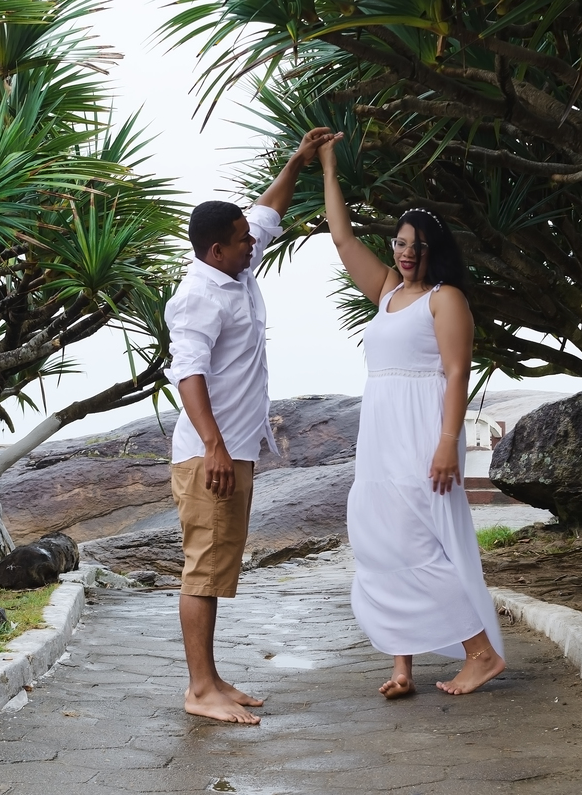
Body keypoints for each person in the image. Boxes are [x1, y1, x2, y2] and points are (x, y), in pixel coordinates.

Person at [317, 135, 506, 698]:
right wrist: (328, 167)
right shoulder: (386, 292)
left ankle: (481, 652)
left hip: (423, 430)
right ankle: (402, 666)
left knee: (420, 543)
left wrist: (448, 442)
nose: (404, 253)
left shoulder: (445, 299)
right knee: (380, 540)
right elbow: (342, 236)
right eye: (399, 243)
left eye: (415, 246)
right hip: (381, 434)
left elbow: (456, 372)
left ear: (434, 250)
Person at [165, 128, 336, 724]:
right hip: (209, 455)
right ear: (215, 250)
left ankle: (211, 679)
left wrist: (297, 162)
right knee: (203, 570)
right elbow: (187, 374)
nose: (252, 244)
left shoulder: (236, 267)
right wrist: (214, 447)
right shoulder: (198, 297)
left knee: (216, 568)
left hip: (232, 450)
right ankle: (199, 691)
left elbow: (267, 211)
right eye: (241, 242)